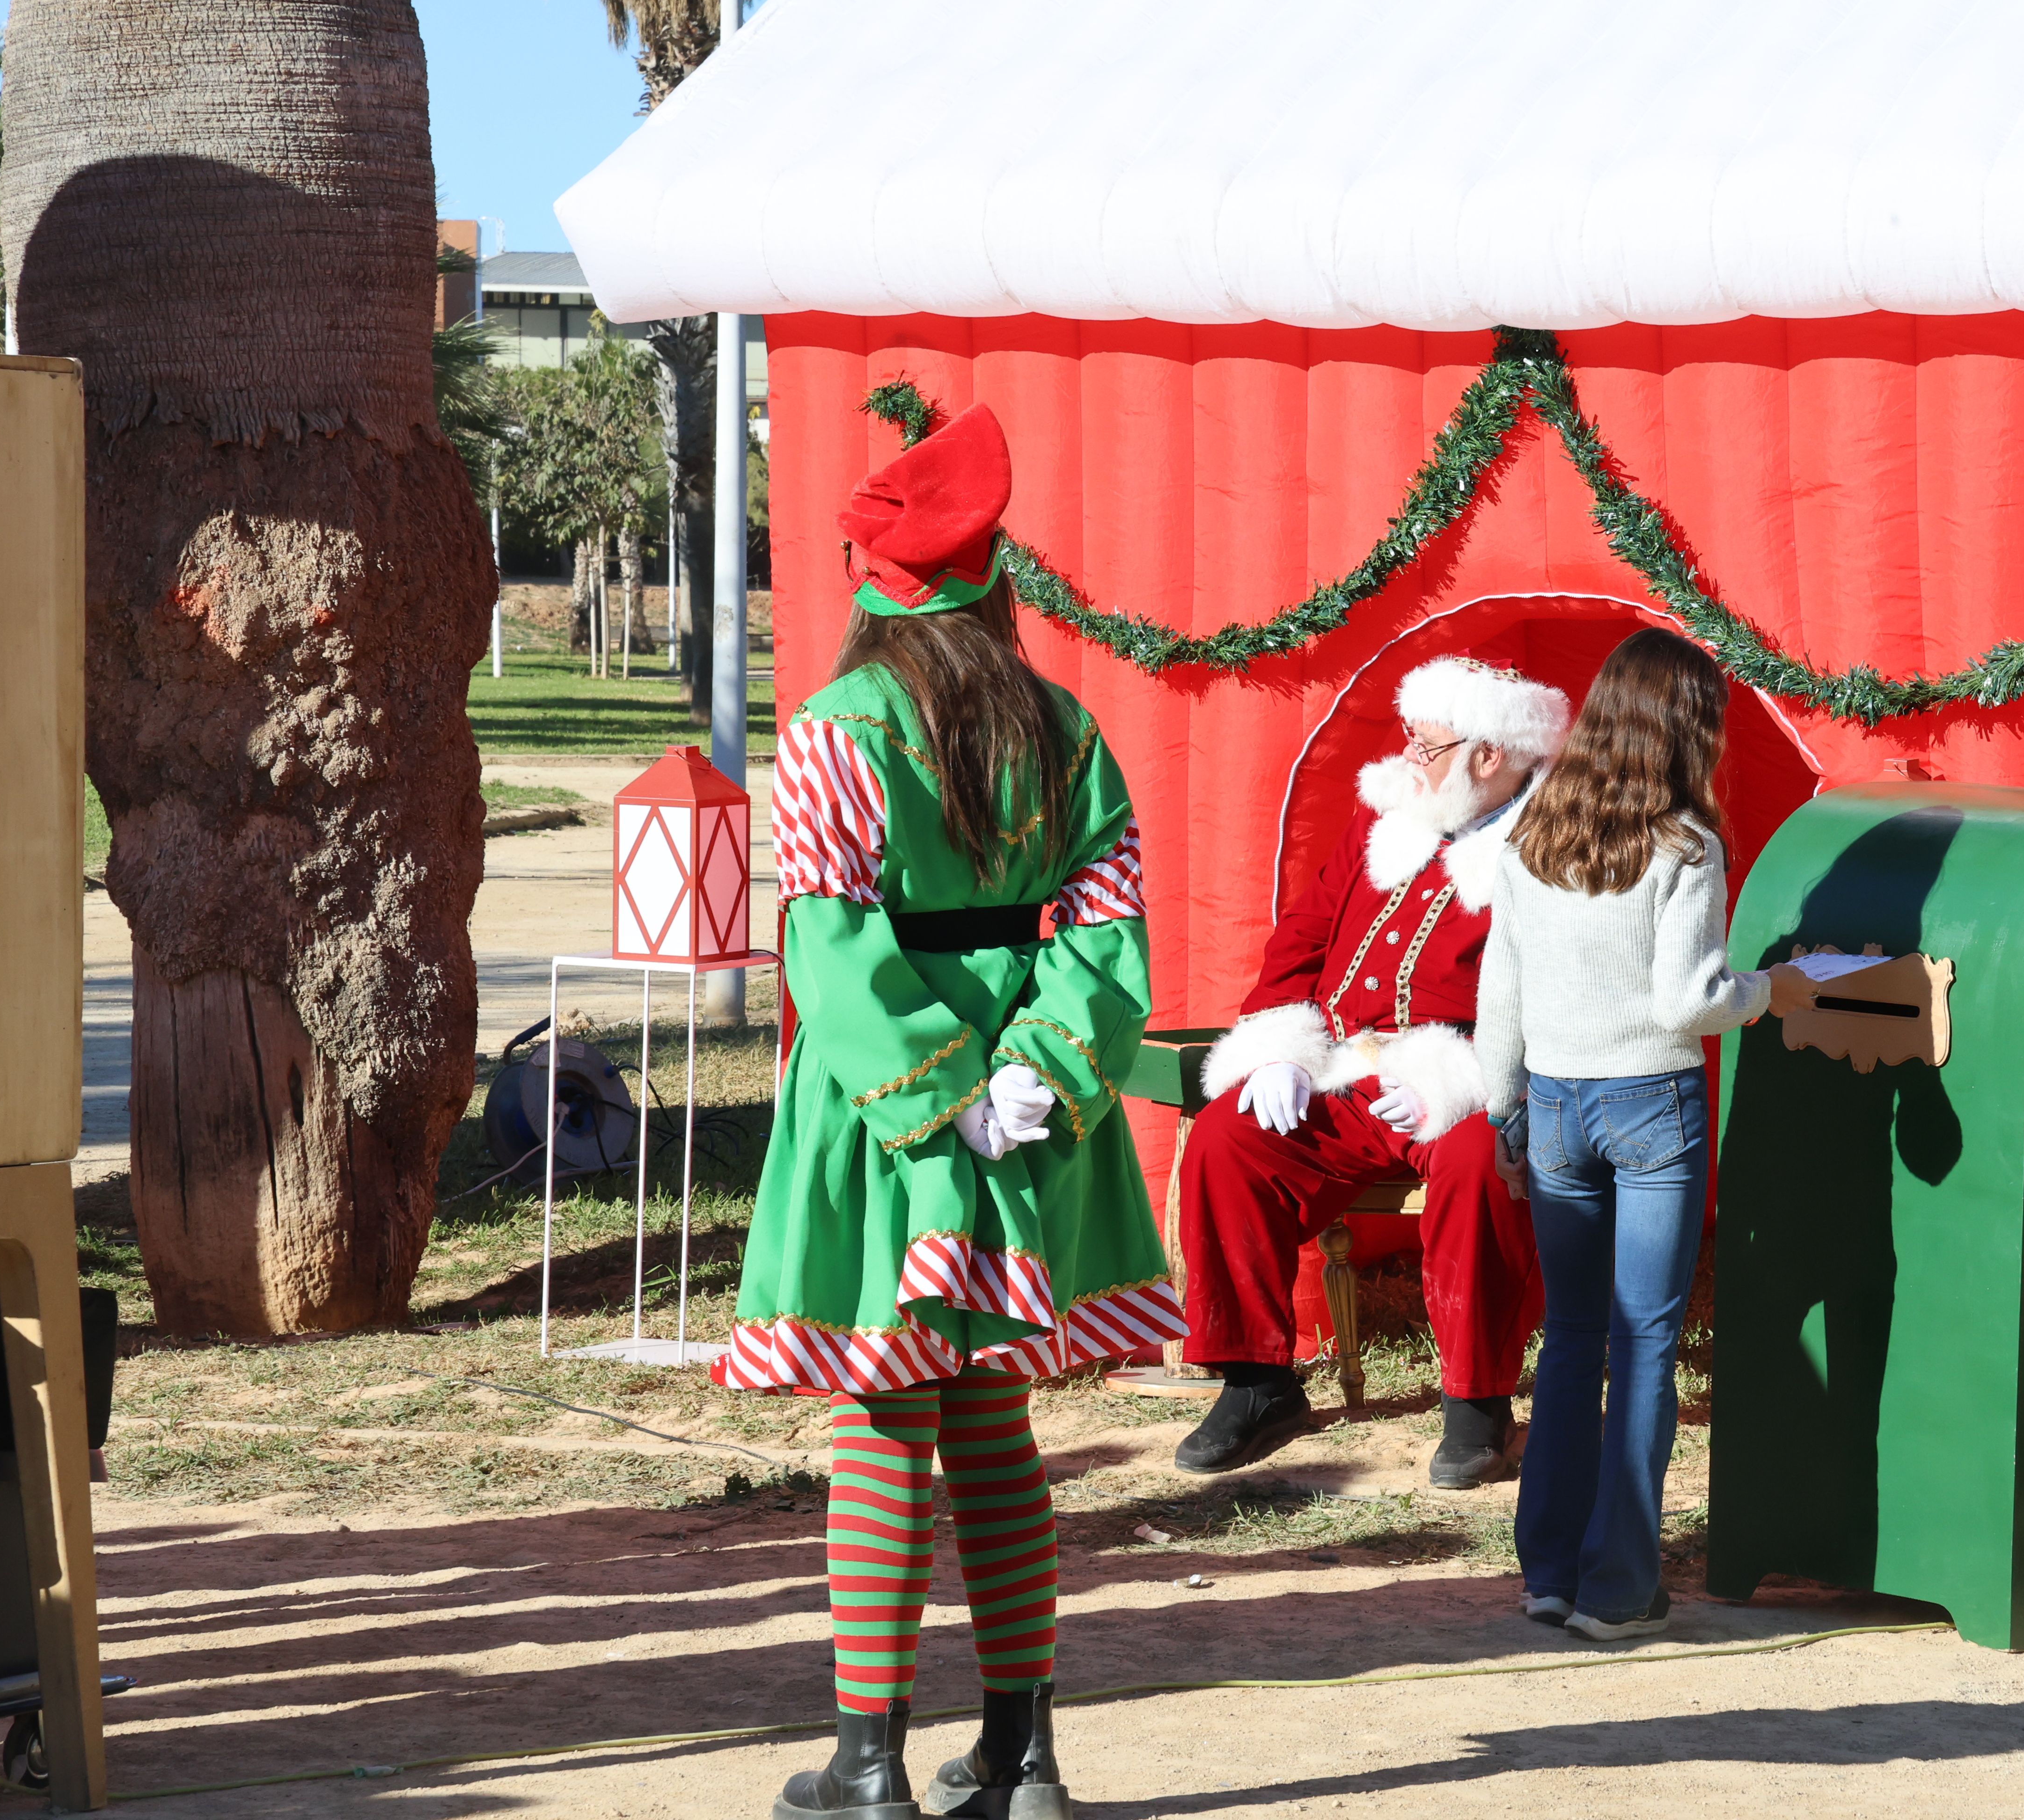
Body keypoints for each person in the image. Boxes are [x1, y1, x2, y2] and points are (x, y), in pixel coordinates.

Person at [729, 404, 1176, 1820]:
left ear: (874, 588)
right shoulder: (1066, 728)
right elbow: (1109, 929)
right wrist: (1038, 1067)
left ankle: (868, 1767)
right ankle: (1026, 1757)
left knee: (884, 1422)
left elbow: (829, 944)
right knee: (990, 1423)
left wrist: (947, 1095)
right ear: (996, 588)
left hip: (888, 1118)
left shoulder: (832, 733)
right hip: (1036, 1108)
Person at [1477, 629, 1809, 1643]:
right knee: (1648, 1342)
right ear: (1685, 729)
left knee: (1571, 1340)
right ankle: (1620, 1583)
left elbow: (1505, 988)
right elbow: (1688, 1000)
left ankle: (1549, 1570)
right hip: (1652, 1103)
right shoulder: (1686, 845)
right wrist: (1774, 989)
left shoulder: (1532, 832)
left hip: (1556, 1106)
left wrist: (1504, 1108)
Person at [1175, 656, 1573, 1488]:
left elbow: (1565, 997)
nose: (1411, 760)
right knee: (1226, 1139)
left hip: (1475, 1082)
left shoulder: (1550, 846)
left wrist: (1461, 1079)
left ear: (1491, 756)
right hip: (1345, 1070)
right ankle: (1259, 1383)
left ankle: (1478, 1406)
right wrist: (1282, 1048)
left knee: (1476, 1163)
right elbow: (1300, 942)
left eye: (1428, 747)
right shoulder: (1385, 823)